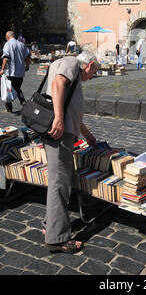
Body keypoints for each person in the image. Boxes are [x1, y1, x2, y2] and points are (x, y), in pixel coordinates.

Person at [42, 50, 99, 254]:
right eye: (95, 72)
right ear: (90, 65)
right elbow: (58, 84)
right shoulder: (72, 64)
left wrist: (87, 135)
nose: (92, 77)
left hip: (63, 131)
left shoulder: (71, 69)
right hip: (60, 133)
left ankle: (51, 224)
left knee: (59, 181)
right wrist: (58, 118)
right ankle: (56, 239)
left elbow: (71, 111)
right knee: (59, 183)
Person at [0, 31, 30, 112]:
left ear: (7, 36)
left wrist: (2, 69)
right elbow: (28, 56)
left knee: (7, 89)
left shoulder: (7, 44)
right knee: (17, 88)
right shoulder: (21, 44)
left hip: (10, 72)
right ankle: (23, 101)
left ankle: (9, 108)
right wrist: (27, 65)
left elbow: (6, 57)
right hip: (20, 72)